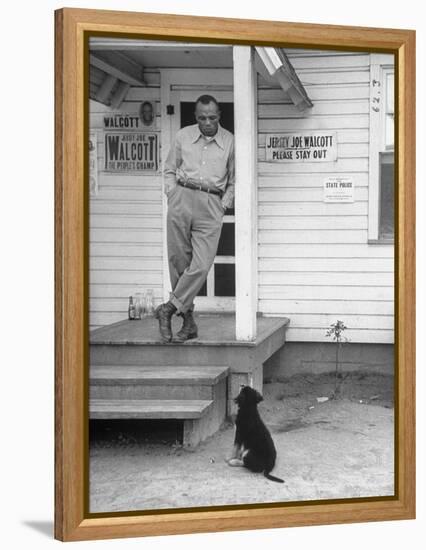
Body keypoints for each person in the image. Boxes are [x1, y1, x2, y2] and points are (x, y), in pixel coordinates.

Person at [155, 94, 235, 343]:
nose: (207, 122)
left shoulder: (230, 141)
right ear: (196, 116)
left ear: (219, 115)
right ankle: (188, 323)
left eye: (212, 117)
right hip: (181, 197)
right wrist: (171, 192)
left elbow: (235, 179)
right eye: (202, 118)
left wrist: (224, 204)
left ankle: (168, 308)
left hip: (211, 203)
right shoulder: (182, 136)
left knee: (200, 264)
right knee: (179, 261)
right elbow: (169, 168)